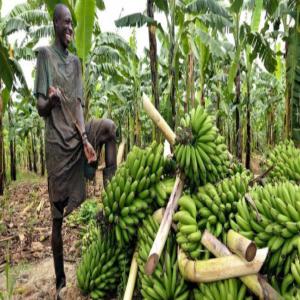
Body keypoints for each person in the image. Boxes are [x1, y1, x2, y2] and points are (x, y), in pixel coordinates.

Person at [33, 4, 117, 298]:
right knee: (57, 218)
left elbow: (79, 106)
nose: (70, 27)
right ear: (54, 23)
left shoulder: (76, 63)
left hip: (75, 136)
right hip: (56, 145)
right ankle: (59, 280)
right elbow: (40, 107)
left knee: (108, 128)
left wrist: (85, 138)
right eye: (65, 22)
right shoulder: (44, 56)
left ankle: (113, 197)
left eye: (72, 23)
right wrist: (52, 102)